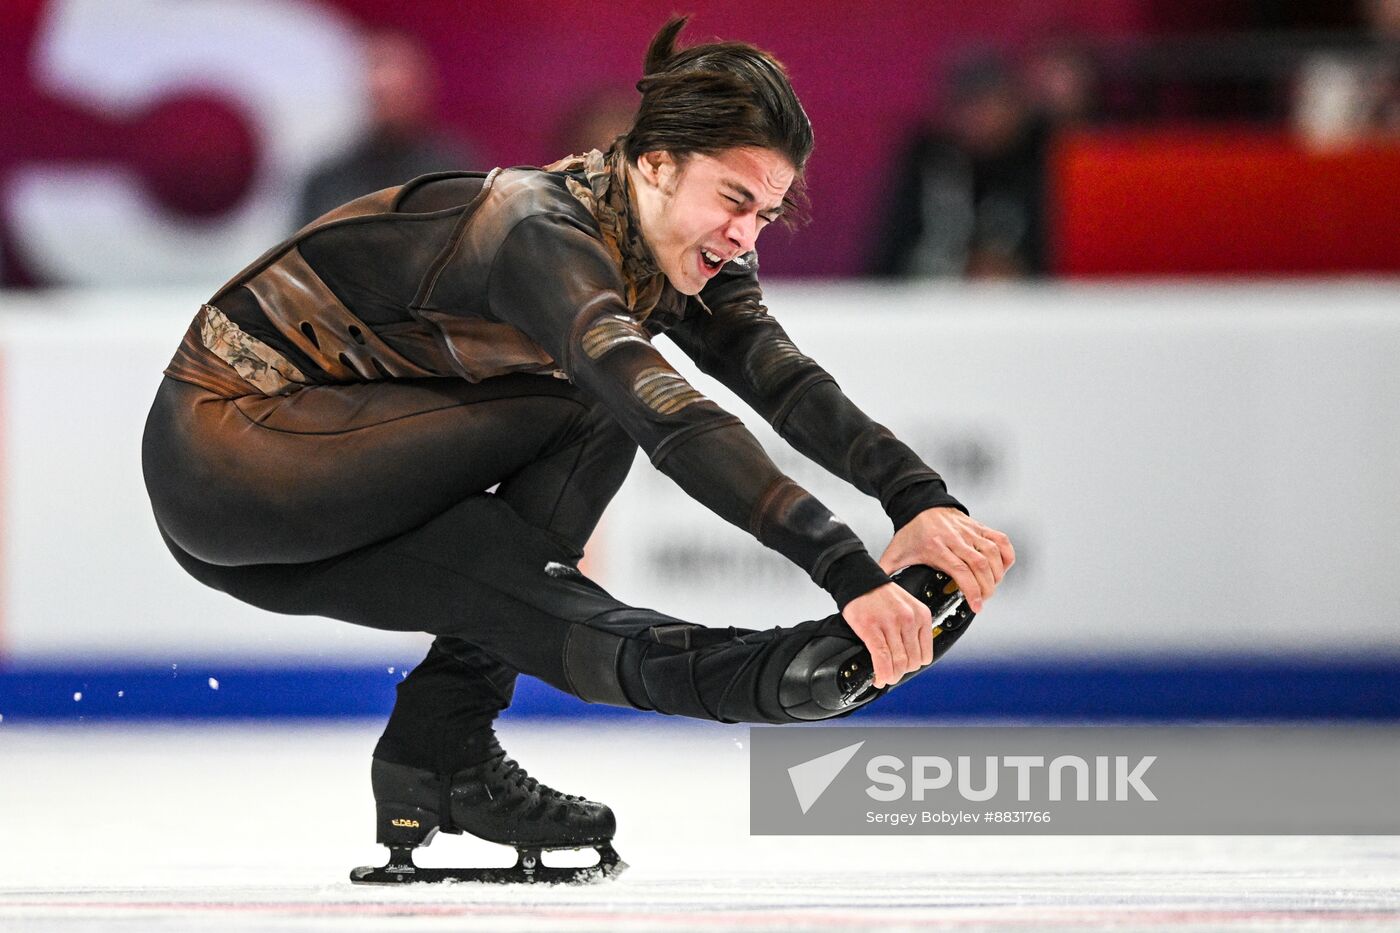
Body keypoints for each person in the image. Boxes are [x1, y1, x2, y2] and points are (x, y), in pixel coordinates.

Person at [142, 17, 1013, 884]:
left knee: (503, 575)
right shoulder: (538, 231)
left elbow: (784, 381)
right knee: (597, 402)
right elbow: (670, 418)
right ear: (657, 163)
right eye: (734, 199)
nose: (746, 235)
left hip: (282, 494)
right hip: (231, 452)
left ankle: (440, 745)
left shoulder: (681, 251)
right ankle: (742, 681)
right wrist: (849, 572)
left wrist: (919, 498)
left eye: (766, 213)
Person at [295, 29, 478, 228]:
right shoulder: (328, 180)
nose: (383, 87)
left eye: (398, 94)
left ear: (420, 90)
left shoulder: (455, 174)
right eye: (379, 96)